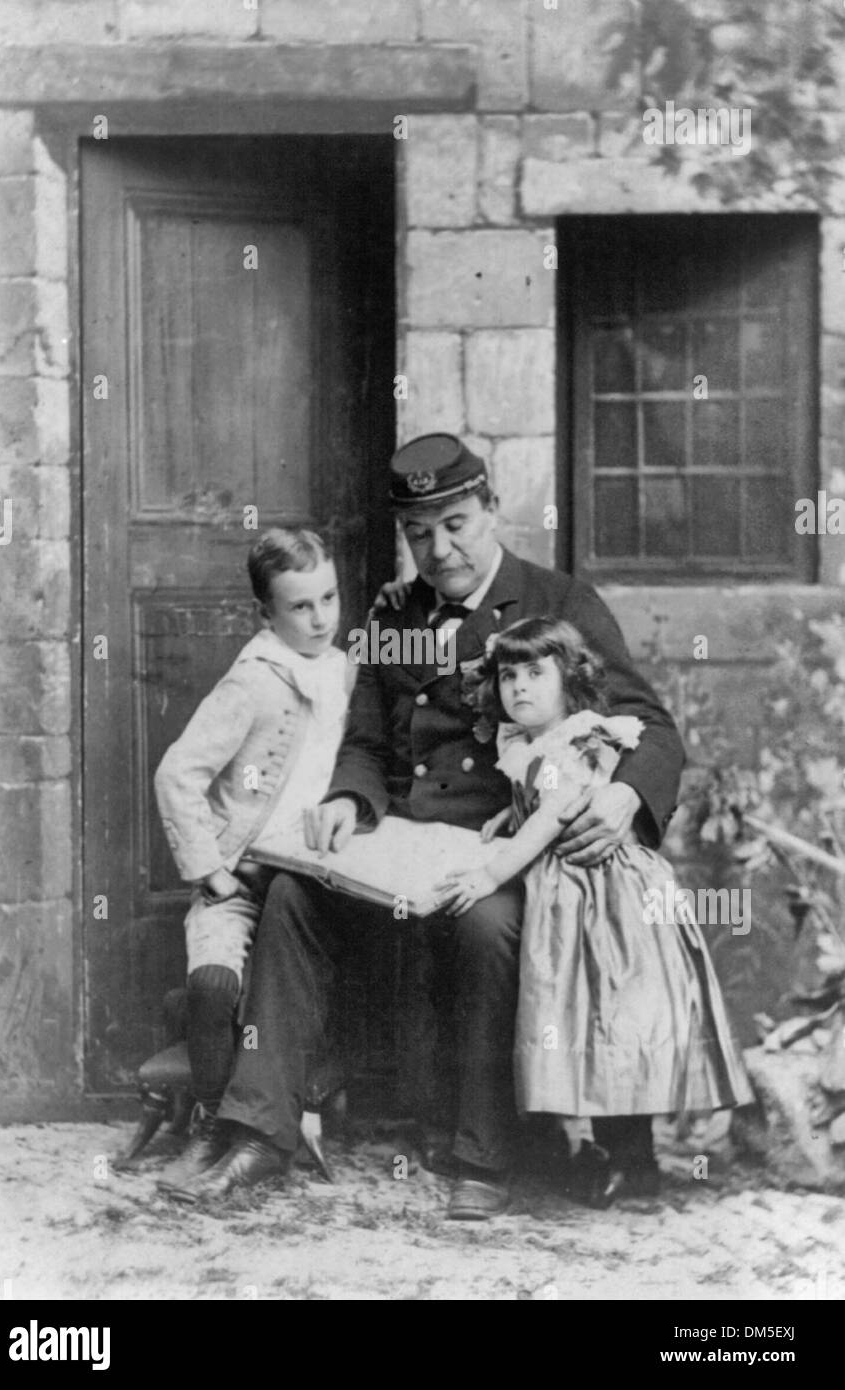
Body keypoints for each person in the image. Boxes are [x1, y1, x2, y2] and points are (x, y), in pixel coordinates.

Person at [173, 432, 686, 1220]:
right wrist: (349, 801)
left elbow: (650, 727)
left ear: (491, 510)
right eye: (419, 533)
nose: (438, 549)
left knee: (486, 924)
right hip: (400, 846)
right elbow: (367, 741)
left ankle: (484, 1158)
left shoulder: (559, 605)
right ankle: (258, 1132)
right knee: (290, 899)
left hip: (505, 850)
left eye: (455, 525)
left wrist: (624, 799)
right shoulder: (392, 615)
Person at [437, 617, 753, 1206]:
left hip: (604, 896)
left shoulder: (578, 739)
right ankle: (602, 1152)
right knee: (584, 1017)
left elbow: (553, 818)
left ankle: (632, 1157)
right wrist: (513, 815)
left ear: (569, 680)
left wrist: (490, 871)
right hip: (573, 892)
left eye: (536, 673)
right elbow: (543, 804)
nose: (520, 688)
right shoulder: (532, 746)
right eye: (508, 676)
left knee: (610, 1013)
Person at [153, 527, 352, 1192]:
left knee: (298, 987)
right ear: (266, 614)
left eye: (329, 598)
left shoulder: (345, 672)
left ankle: (286, 1107)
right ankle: (212, 1122)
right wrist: (209, 869)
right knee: (214, 986)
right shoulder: (255, 680)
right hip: (239, 881)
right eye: (300, 607)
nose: (321, 617)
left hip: (308, 883)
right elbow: (177, 774)